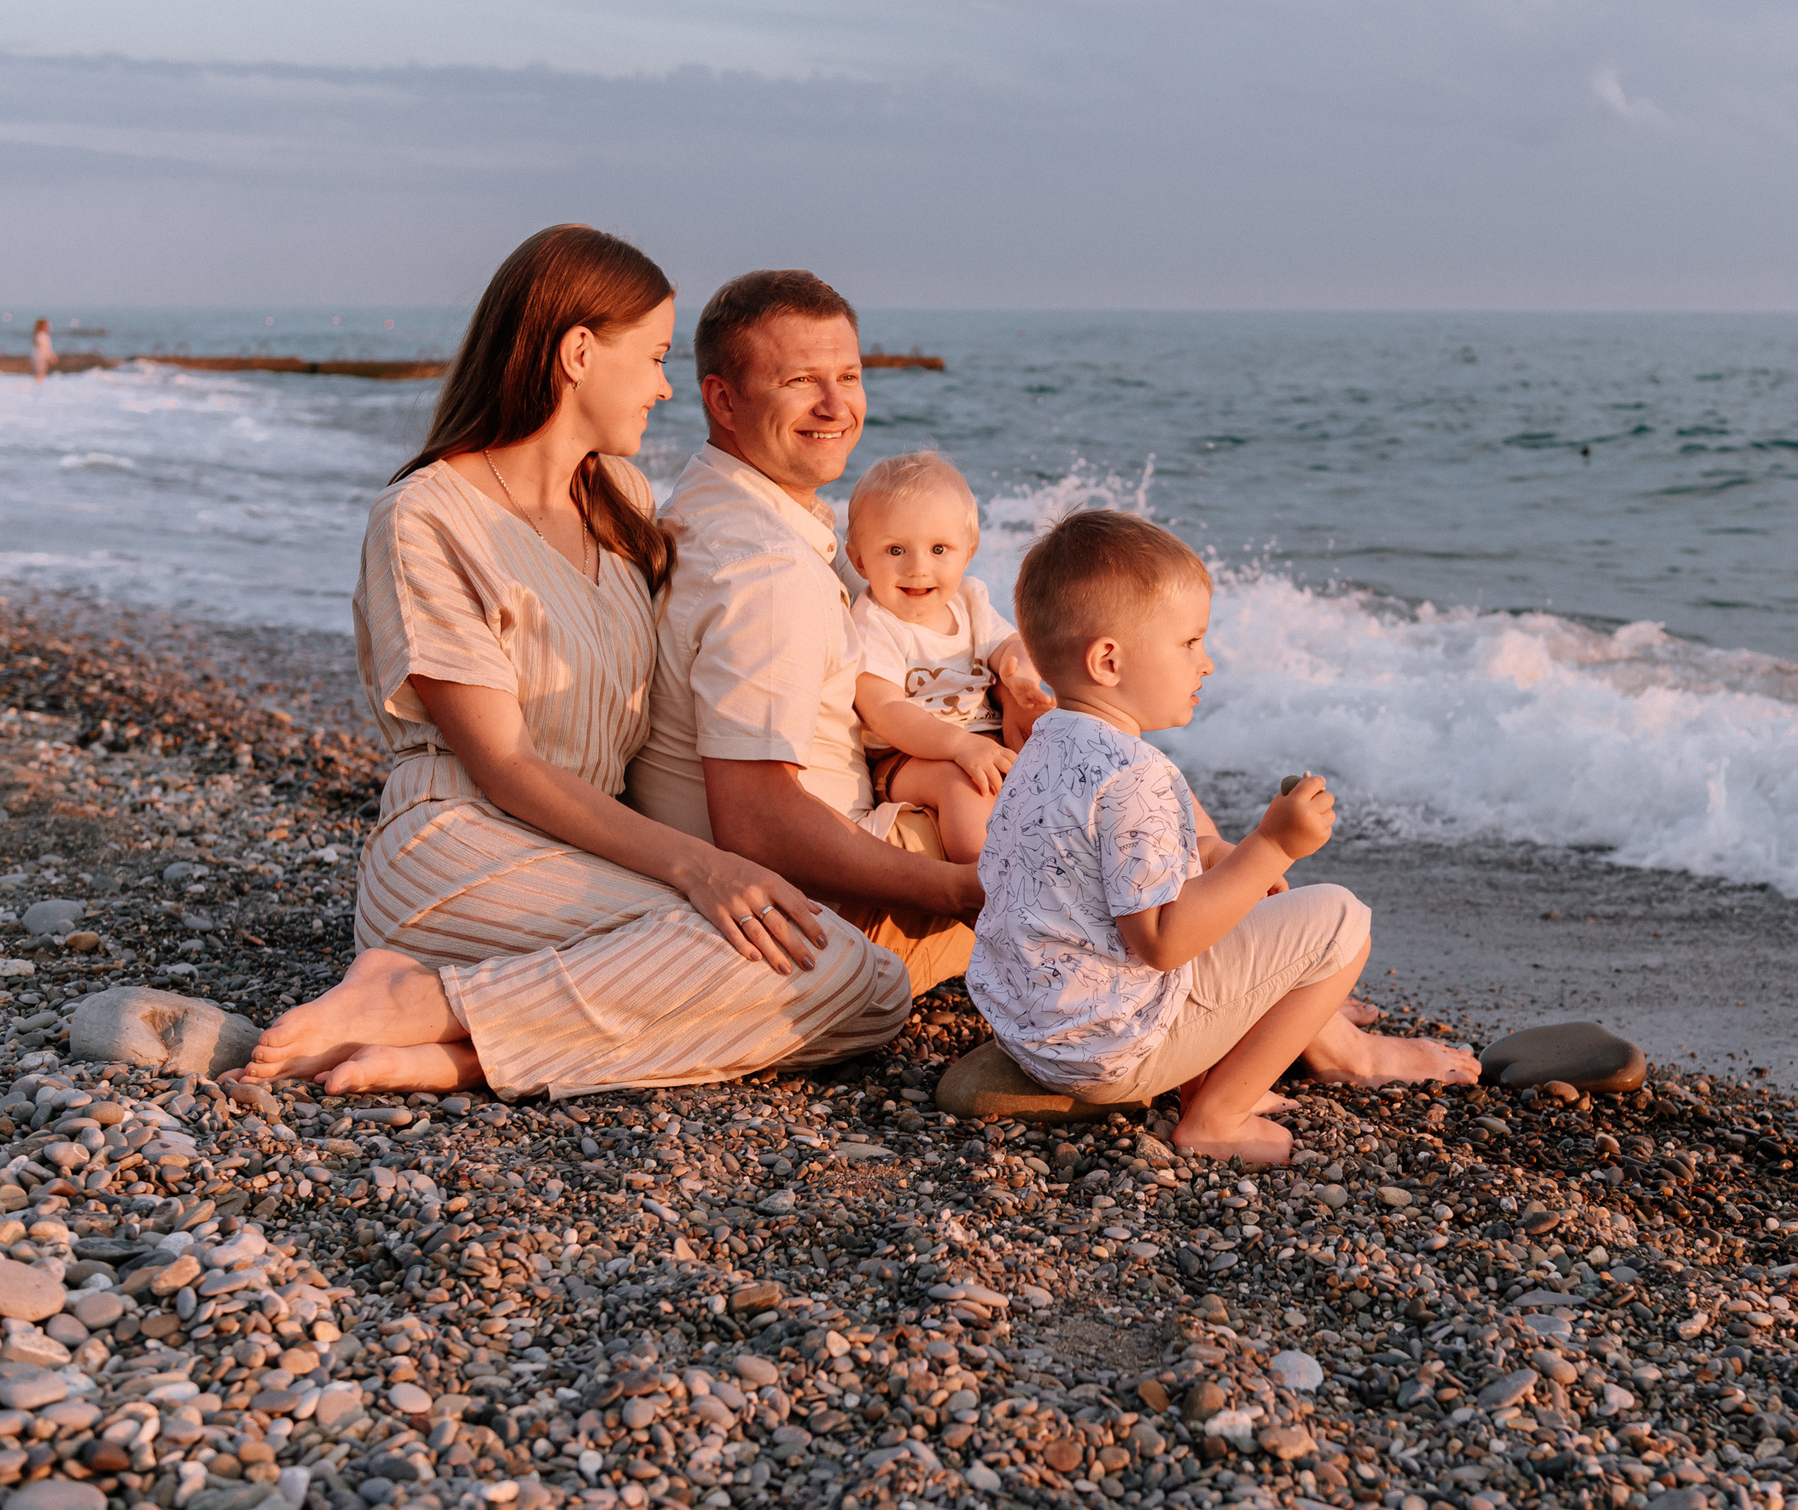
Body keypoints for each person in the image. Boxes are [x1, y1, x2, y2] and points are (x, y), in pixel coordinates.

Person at [235, 226, 910, 1098]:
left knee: (864, 989)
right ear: (580, 353)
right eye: (658, 356)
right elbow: (505, 766)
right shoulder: (427, 518)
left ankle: (450, 1038)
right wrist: (696, 863)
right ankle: (432, 992)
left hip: (593, 851)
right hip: (462, 845)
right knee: (828, 968)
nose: (670, 388)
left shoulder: (621, 502)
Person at [966, 509, 1479, 1164]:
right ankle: (1218, 1116)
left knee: (1239, 899)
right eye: (1189, 643)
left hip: (1031, 1026)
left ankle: (1217, 1075)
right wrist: (1272, 846)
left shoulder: (1046, 748)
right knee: (1341, 920)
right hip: (1109, 1049)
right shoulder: (1134, 778)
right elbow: (1162, 942)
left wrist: (1232, 868)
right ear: (1108, 660)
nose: (1206, 663)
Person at [628, 271, 1034, 993]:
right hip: (826, 902)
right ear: (723, 400)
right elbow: (756, 825)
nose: (836, 405)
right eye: (800, 381)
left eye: (849, 375)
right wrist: (960, 892)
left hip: (833, 846)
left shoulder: (715, 506)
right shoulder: (766, 572)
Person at [845, 450, 1048, 863]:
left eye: (939, 549)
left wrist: (1019, 674)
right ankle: (983, 884)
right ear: (859, 559)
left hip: (982, 739)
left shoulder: (970, 601)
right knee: (966, 788)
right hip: (907, 758)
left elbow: (1009, 645)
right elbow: (884, 710)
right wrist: (958, 746)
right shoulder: (874, 622)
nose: (919, 568)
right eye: (896, 550)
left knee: (1063, 746)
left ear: (968, 551)